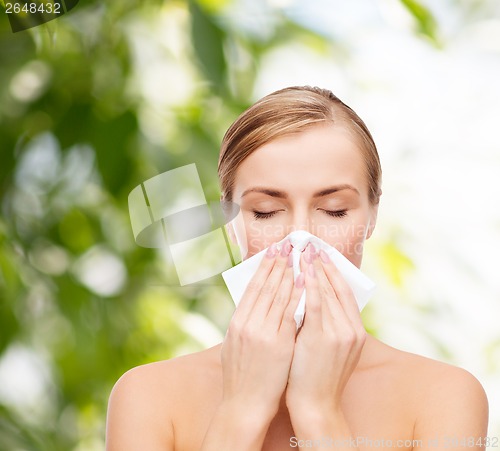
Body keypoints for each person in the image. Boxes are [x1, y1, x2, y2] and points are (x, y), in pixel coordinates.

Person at [106, 86, 488, 450]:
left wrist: (318, 412)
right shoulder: (147, 398)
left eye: (335, 209)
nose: (300, 238)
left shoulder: (444, 397)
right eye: (265, 212)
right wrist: (242, 410)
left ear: (372, 216)